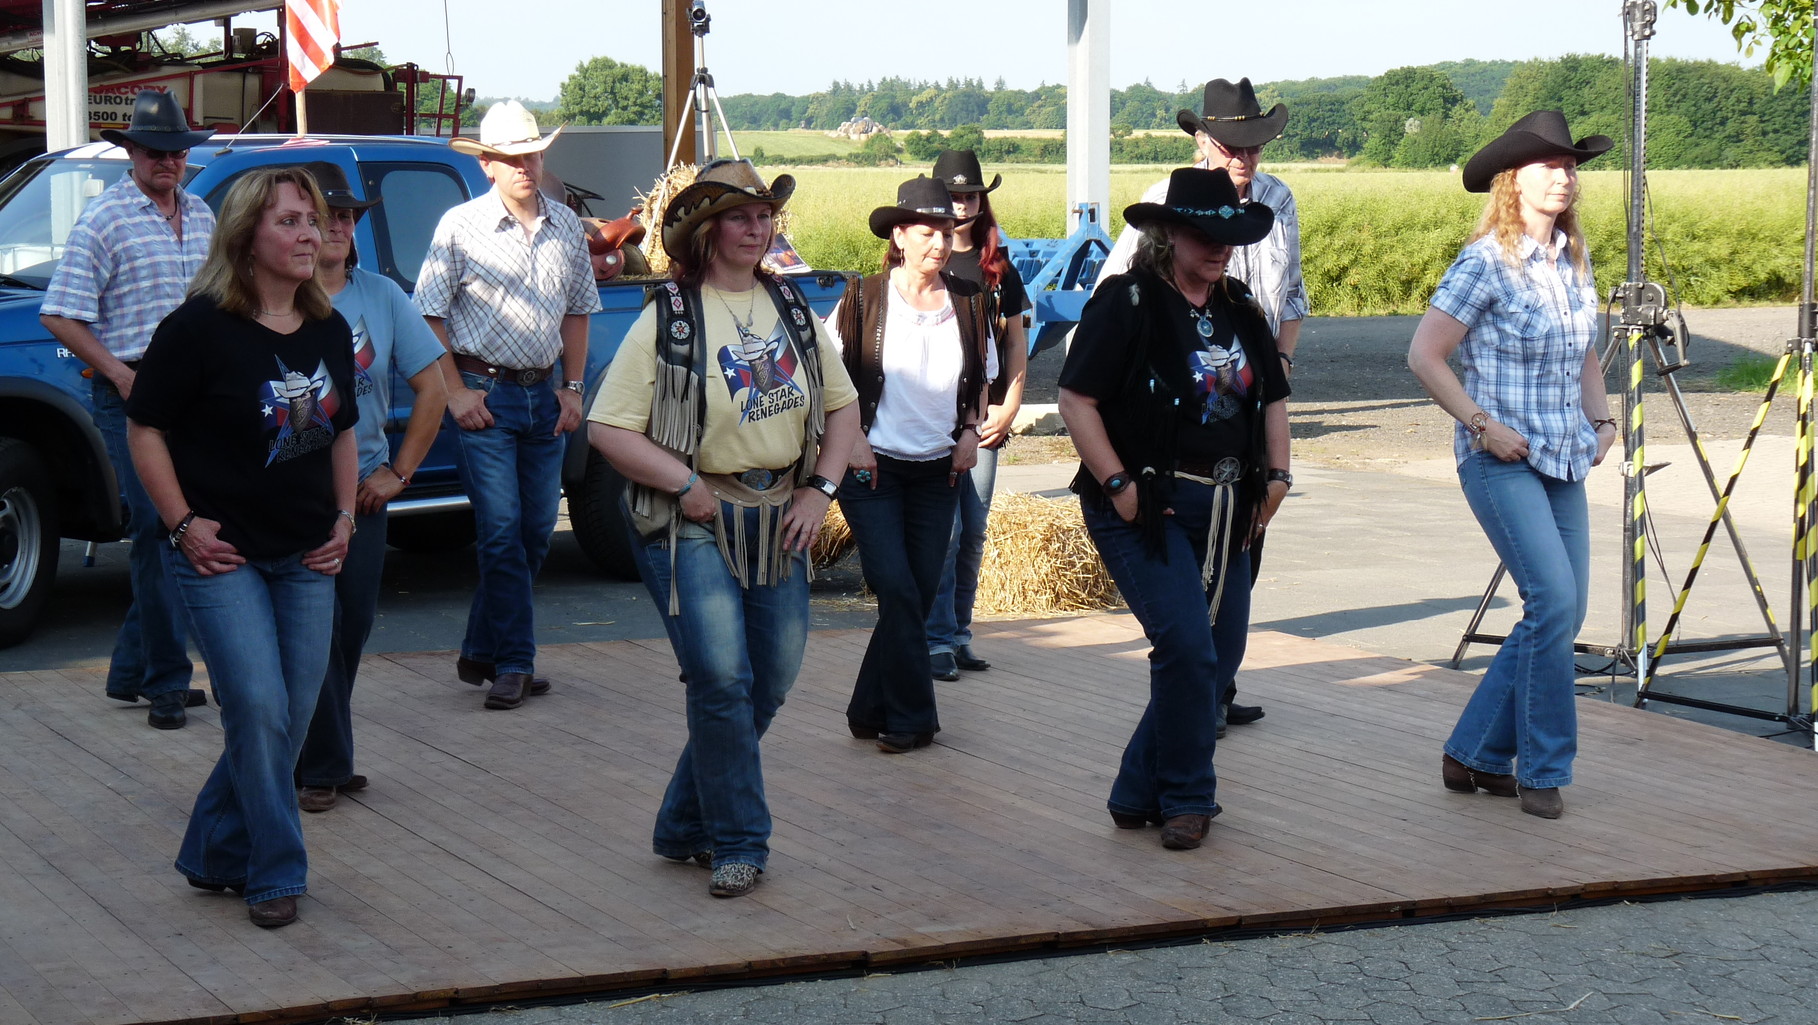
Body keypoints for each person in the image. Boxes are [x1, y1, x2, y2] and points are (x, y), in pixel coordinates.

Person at [588, 159, 860, 898]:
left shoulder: (795, 310)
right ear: (706, 231)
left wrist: (820, 490)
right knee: (721, 679)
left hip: (782, 516)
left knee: (766, 681)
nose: (757, 227)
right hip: (690, 519)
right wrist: (684, 483)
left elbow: (842, 409)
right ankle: (740, 841)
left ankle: (682, 823)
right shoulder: (669, 317)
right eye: (740, 216)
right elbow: (608, 427)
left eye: (764, 214)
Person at [126, 166, 358, 927]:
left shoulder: (326, 327)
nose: (310, 235)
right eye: (289, 221)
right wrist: (181, 523)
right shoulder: (196, 328)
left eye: (313, 221)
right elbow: (145, 426)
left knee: (284, 715)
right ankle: (275, 869)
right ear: (246, 236)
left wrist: (347, 517)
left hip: (308, 556)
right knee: (256, 706)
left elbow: (344, 431)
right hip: (219, 556)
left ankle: (212, 848)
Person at [1060, 168, 1290, 852]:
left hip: (1232, 506)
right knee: (1187, 646)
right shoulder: (1127, 302)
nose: (1218, 248)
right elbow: (1076, 399)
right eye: (1202, 234)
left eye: (1229, 236)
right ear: (1168, 234)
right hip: (1148, 505)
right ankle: (1189, 796)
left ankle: (1135, 790)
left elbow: (1273, 396)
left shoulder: (1242, 308)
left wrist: (1277, 477)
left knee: (1218, 655)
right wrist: (1121, 484)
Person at [1407, 111, 1616, 821]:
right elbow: (1424, 355)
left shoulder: (1574, 260)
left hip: (1565, 455)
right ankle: (1544, 768)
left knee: (1562, 609)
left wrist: (1604, 418)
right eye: (1549, 164)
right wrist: (1481, 424)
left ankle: (1474, 751)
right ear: (1513, 180)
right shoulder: (1485, 261)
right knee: (1553, 600)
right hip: (1499, 456)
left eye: (1571, 165)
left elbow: (1585, 351)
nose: (1565, 175)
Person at [1101, 77, 1306, 733]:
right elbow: (1116, 293)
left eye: (1255, 146)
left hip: (1248, 405)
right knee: (1190, 582)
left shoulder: (1278, 200)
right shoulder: (1167, 203)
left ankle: (1215, 687)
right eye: (1231, 145)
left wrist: (1281, 369)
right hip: (1179, 413)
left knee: (1243, 551)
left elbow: (1291, 296)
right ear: (1202, 141)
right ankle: (1195, 696)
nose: (1244, 159)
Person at [416, 100, 601, 710]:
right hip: (486, 394)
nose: (526, 165)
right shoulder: (459, 226)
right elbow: (430, 315)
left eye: (533, 153)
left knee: (534, 533)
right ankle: (515, 664)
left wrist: (572, 387)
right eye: (512, 157)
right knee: (501, 531)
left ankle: (481, 647)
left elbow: (579, 310)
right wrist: (456, 392)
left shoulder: (567, 226)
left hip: (542, 392)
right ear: (488, 165)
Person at [40, 89, 215, 729]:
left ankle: (130, 670)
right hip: (133, 392)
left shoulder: (201, 216)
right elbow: (59, 311)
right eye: (155, 150)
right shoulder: (103, 220)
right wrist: (118, 373)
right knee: (164, 529)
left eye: (176, 150)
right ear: (132, 153)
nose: (167, 161)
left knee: (168, 530)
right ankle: (167, 682)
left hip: (193, 396)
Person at [294, 162, 449, 813]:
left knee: (351, 626)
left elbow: (433, 388)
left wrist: (400, 472)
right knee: (315, 629)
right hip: (292, 494)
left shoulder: (382, 295)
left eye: (346, 214)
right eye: (323, 213)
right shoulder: (275, 293)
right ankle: (320, 765)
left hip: (363, 493)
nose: (336, 225)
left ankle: (320, 751)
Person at [828, 176, 992, 755]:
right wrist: (849, 442)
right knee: (895, 588)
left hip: (939, 471)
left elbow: (980, 377)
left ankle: (867, 706)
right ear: (900, 236)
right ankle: (913, 719)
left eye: (947, 232)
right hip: (872, 469)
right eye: (927, 232)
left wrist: (972, 431)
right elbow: (828, 381)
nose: (940, 244)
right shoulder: (862, 298)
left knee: (917, 595)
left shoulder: (970, 301)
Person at [923, 150, 1031, 681]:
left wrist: (1010, 406)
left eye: (971, 196)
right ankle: (936, 639)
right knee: (947, 528)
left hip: (987, 418)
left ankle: (960, 633)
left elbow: (1016, 343)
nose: (963, 206)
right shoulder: (924, 262)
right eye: (954, 196)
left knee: (973, 530)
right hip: (936, 416)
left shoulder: (997, 267)